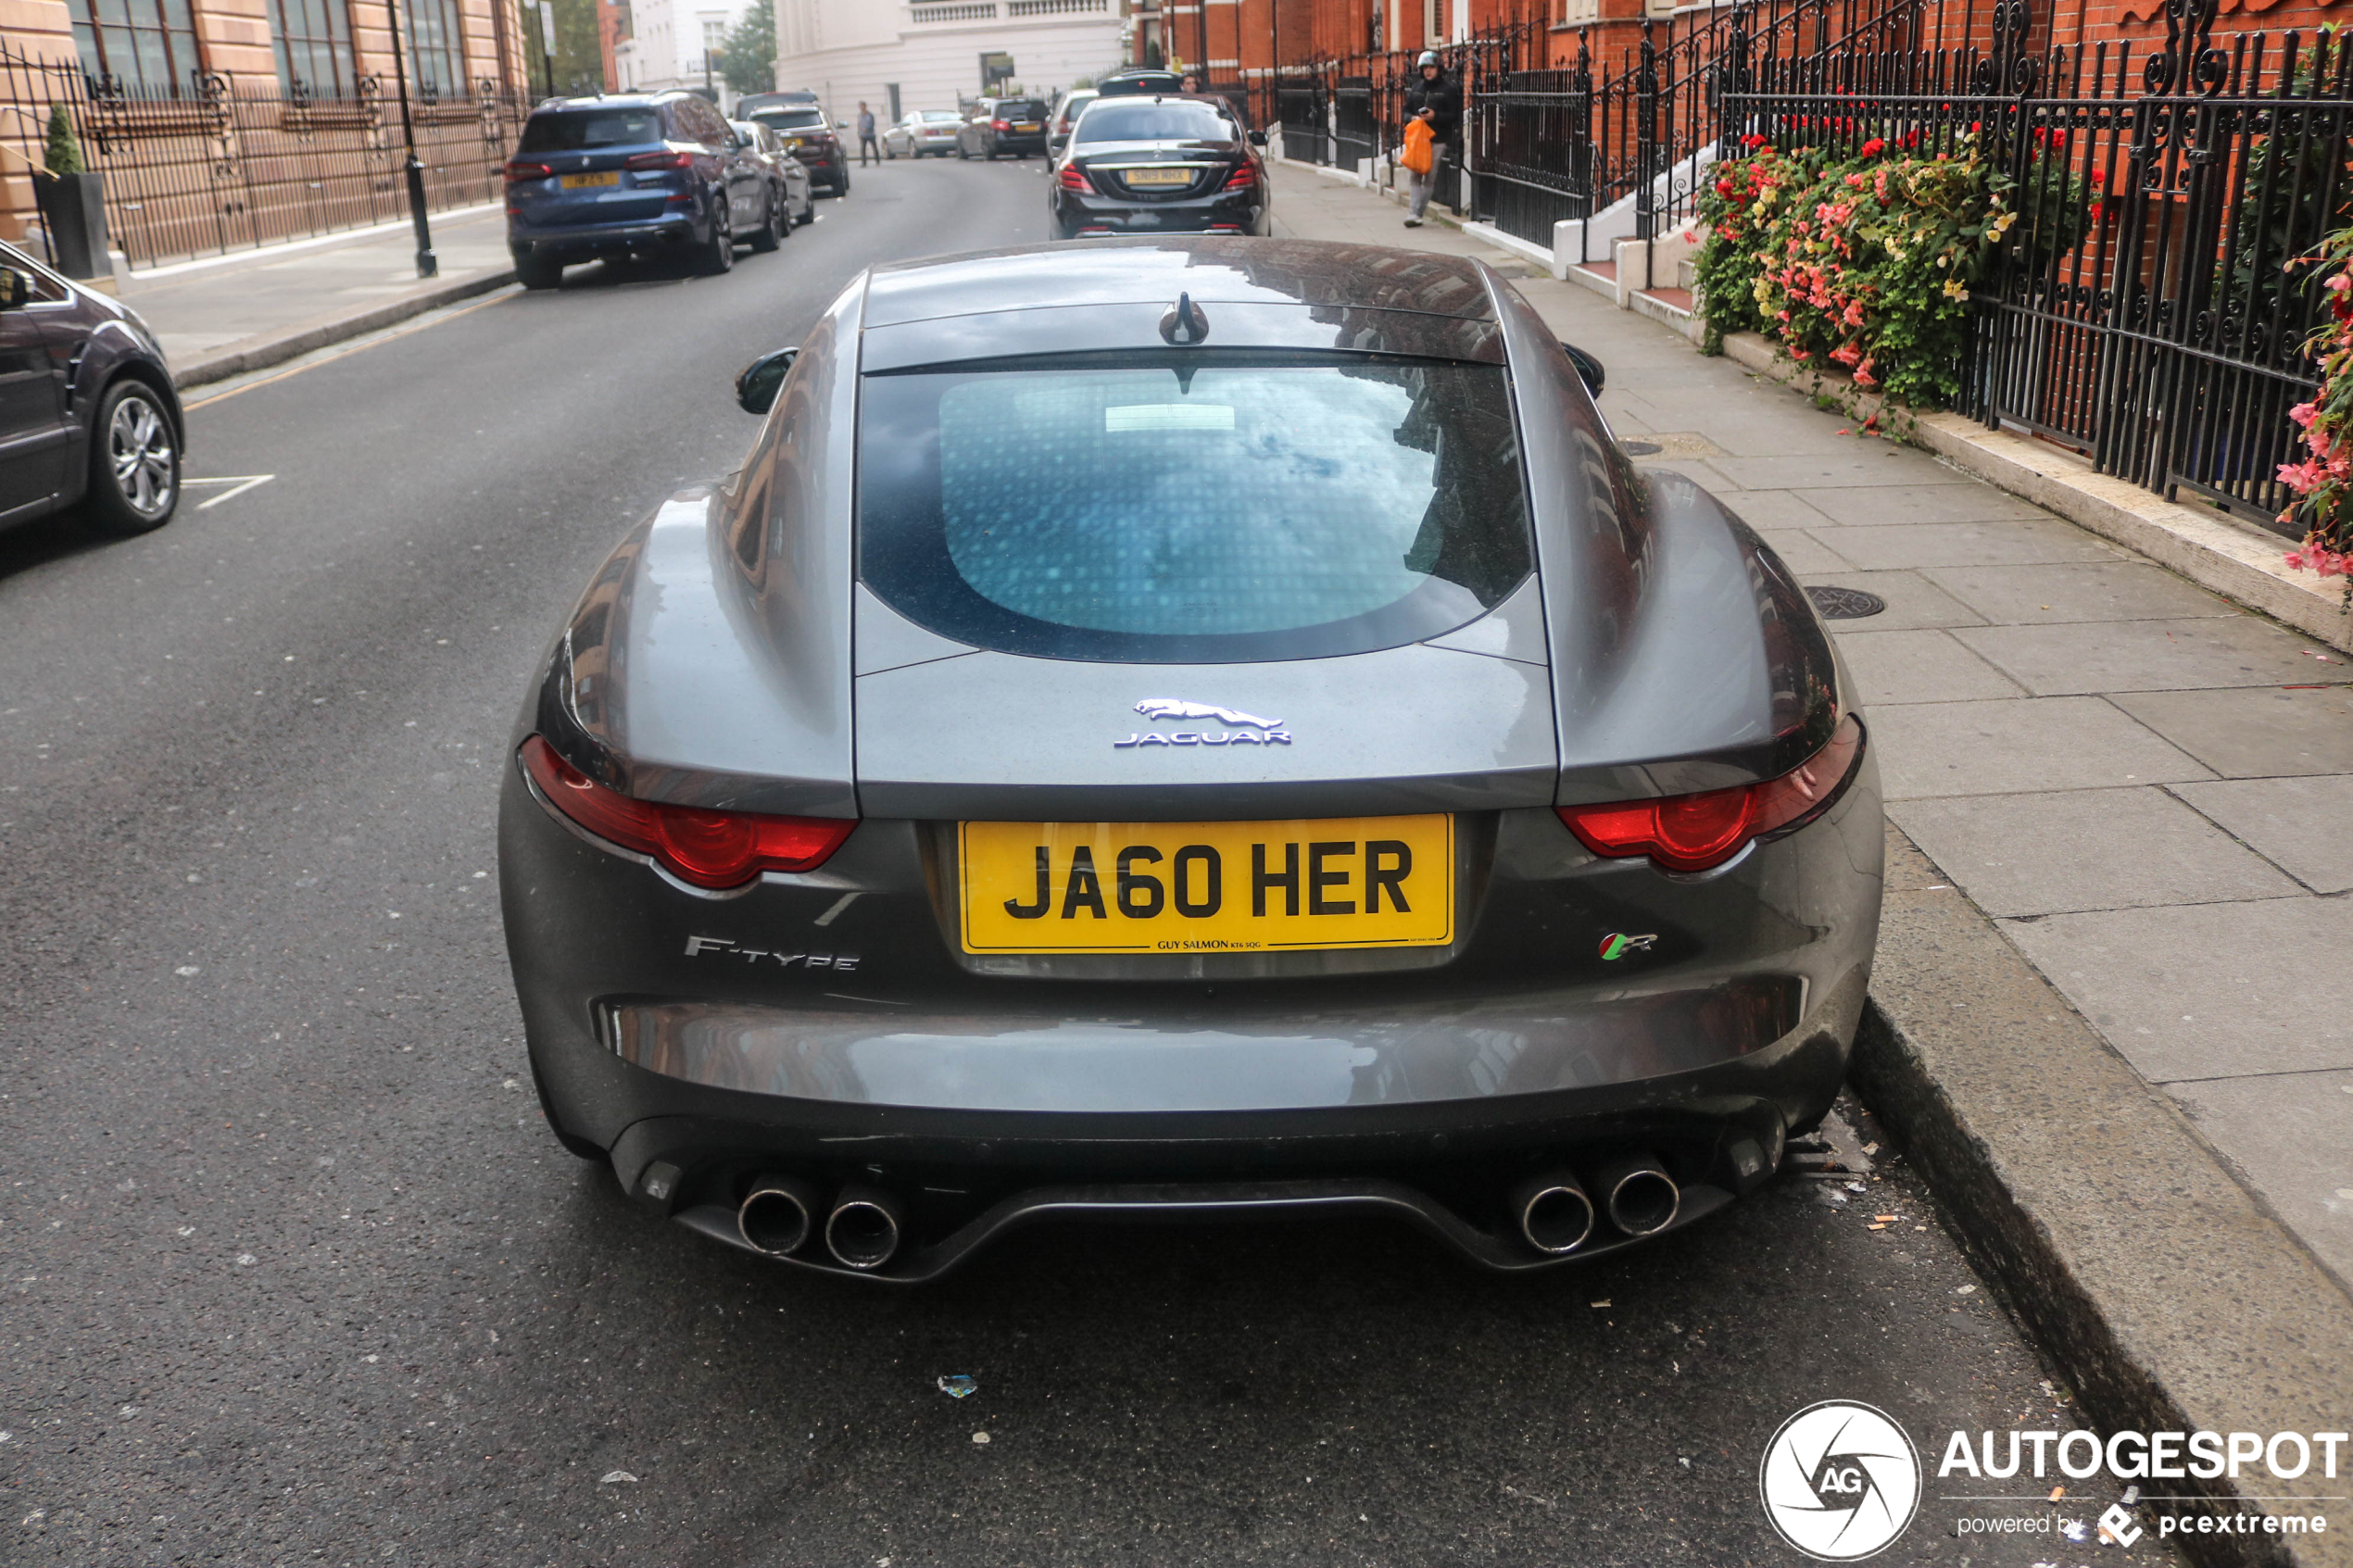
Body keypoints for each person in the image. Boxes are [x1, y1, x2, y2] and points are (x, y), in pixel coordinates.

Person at [1401, 50, 1459, 228]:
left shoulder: (1448, 90)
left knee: (1429, 177)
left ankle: (1418, 212)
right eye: (1425, 67)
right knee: (1414, 176)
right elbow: (1405, 111)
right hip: (1418, 140)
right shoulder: (1416, 89)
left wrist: (1435, 116)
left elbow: (1454, 116)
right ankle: (1414, 212)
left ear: (1439, 68)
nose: (1428, 71)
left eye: (1431, 67)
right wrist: (1412, 118)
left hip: (1437, 139)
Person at [856, 101, 879, 165]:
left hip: (870, 134)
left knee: (874, 147)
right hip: (863, 135)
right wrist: (859, 132)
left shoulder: (870, 115)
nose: (861, 107)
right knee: (863, 149)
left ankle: (877, 159)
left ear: (865, 106)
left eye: (862, 106)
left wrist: (867, 129)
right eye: (860, 106)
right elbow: (859, 125)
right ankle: (864, 162)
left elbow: (872, 123)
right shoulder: (859, 115)